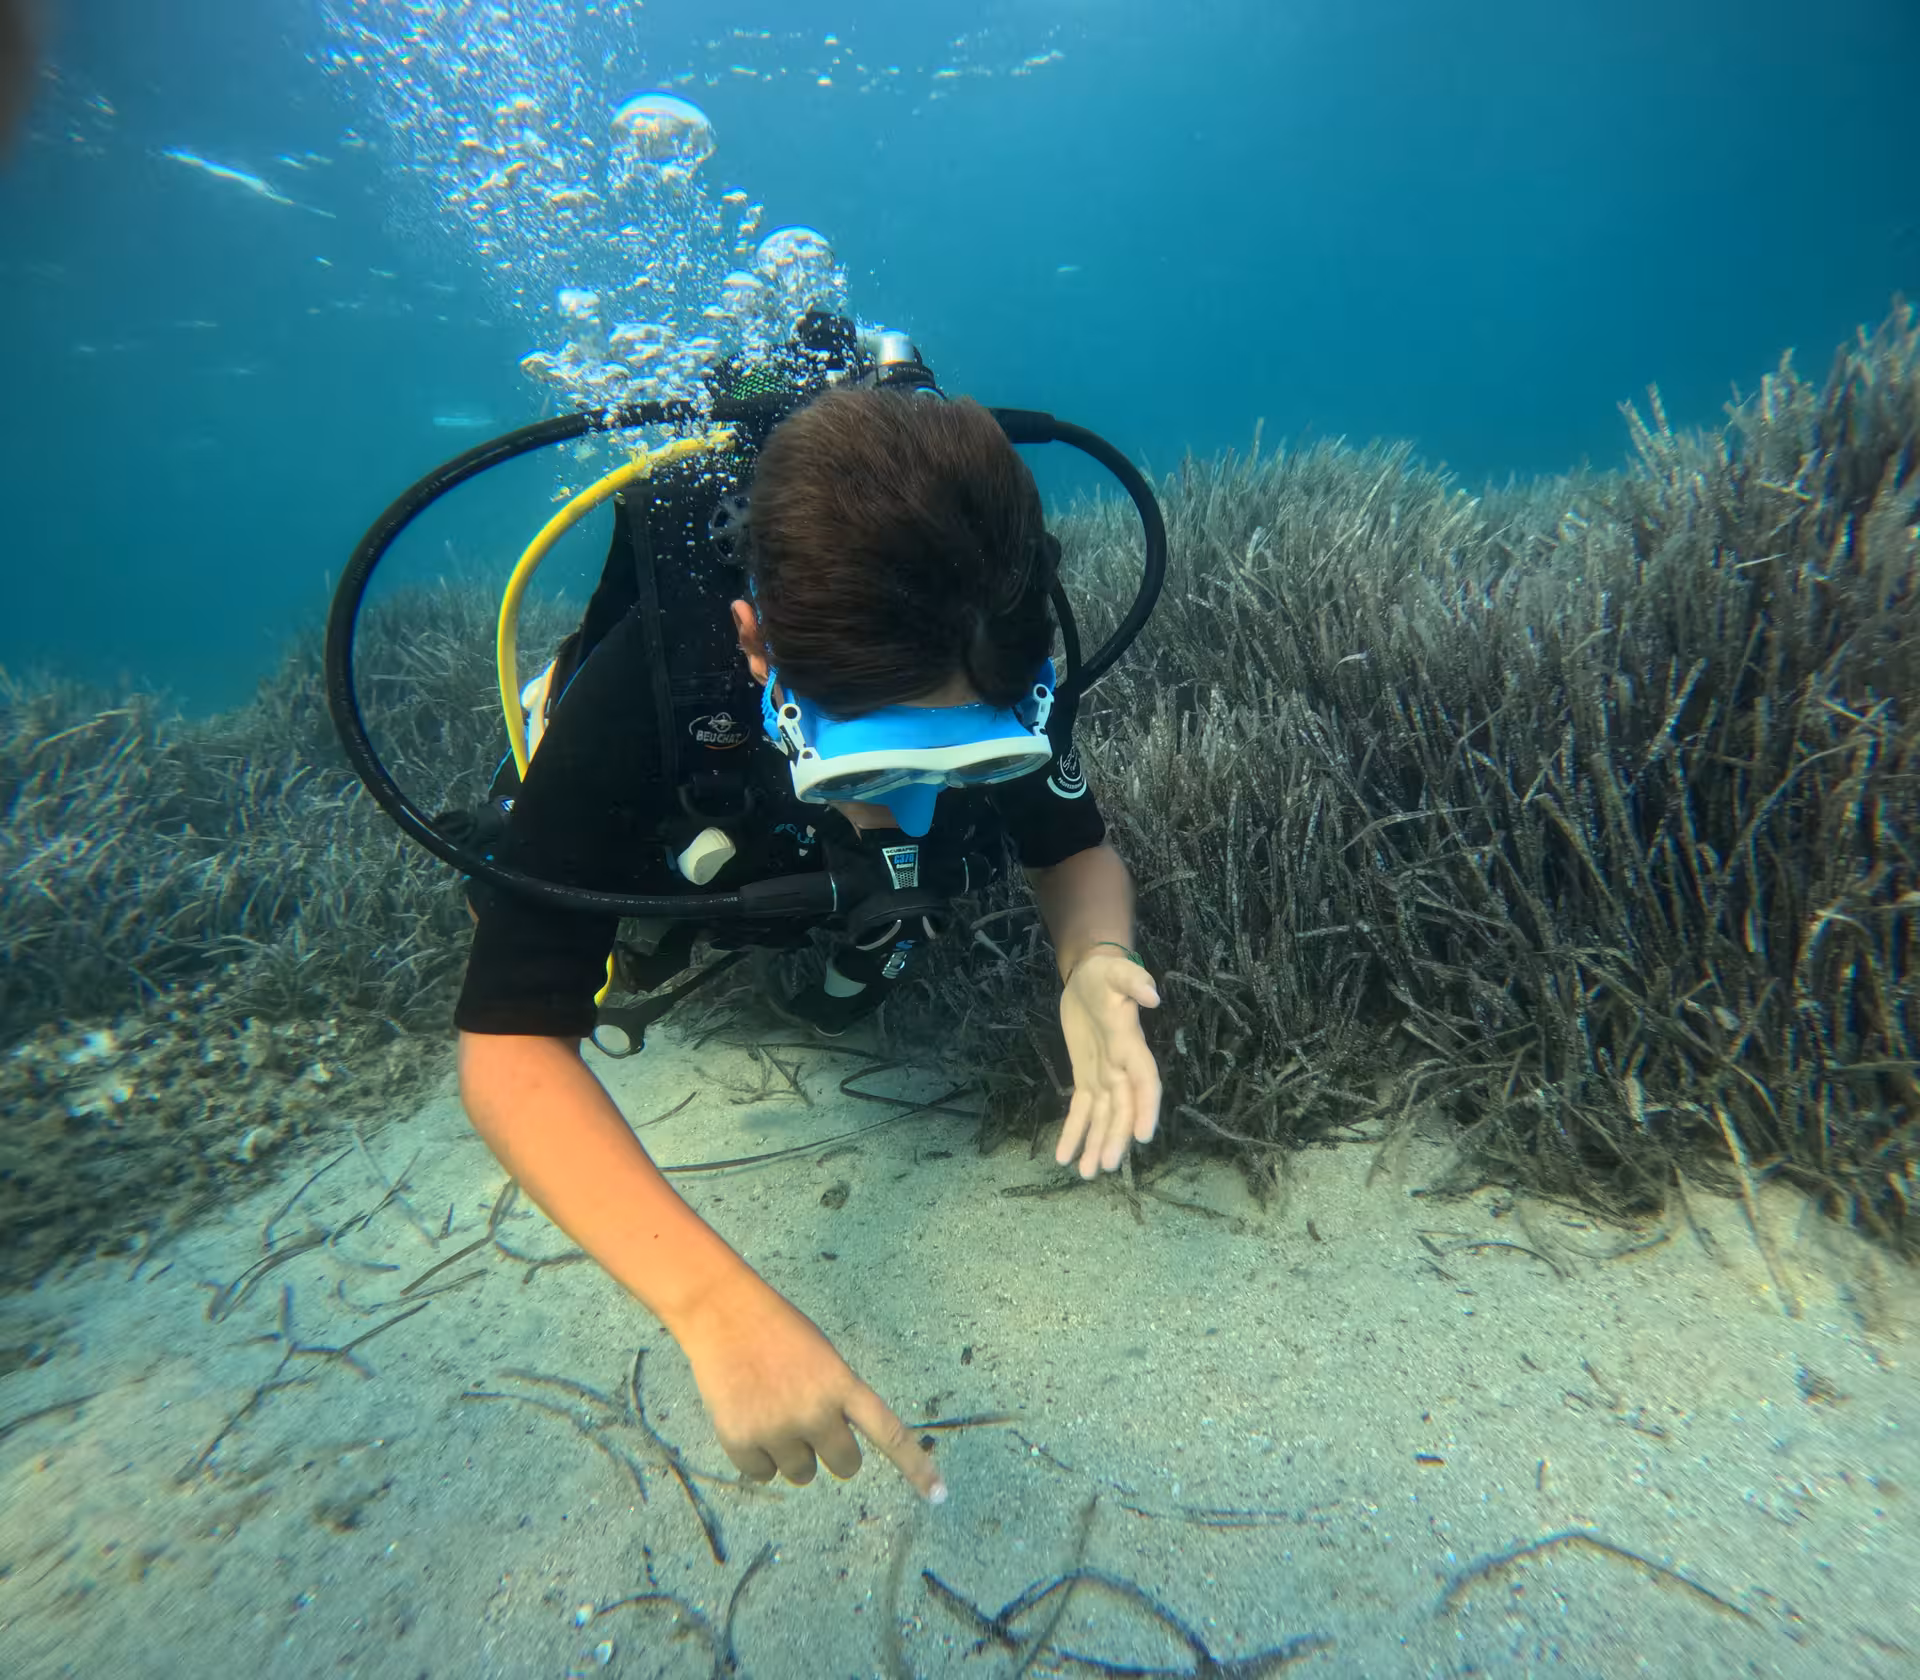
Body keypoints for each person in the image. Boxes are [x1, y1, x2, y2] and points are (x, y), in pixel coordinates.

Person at [453, 333, 1164, 1505]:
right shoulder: (659, 689)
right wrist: (711, 1305)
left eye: (972, 758)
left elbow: (1072, 847)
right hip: (692, 799)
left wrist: (1093, 957)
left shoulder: (992, 636)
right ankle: (549, 710)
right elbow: (510, 1044)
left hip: (825, 840)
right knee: (562, 889)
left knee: (868, 960)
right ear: (756, 650)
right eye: (869, 764)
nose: (920, 808)